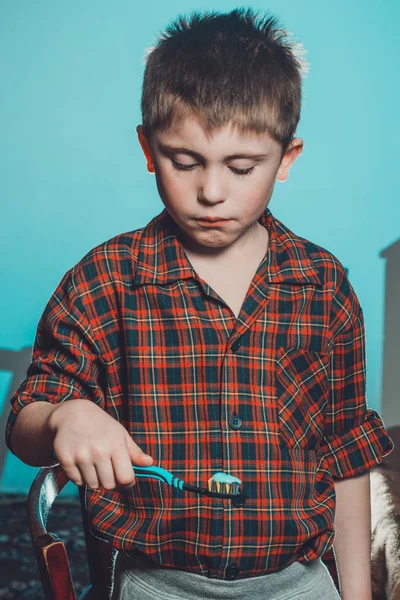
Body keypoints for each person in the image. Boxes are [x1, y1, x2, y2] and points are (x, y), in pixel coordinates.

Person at [5, 6, 394, 600]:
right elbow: (24, 423)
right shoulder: (104, 279)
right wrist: (65, 415)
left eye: (242, 167)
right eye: (184, 162)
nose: (212, 192)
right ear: (147, 146)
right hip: (154, 582)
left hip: (301, 581)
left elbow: (345, 454)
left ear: (287, 159)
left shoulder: (324, 286)